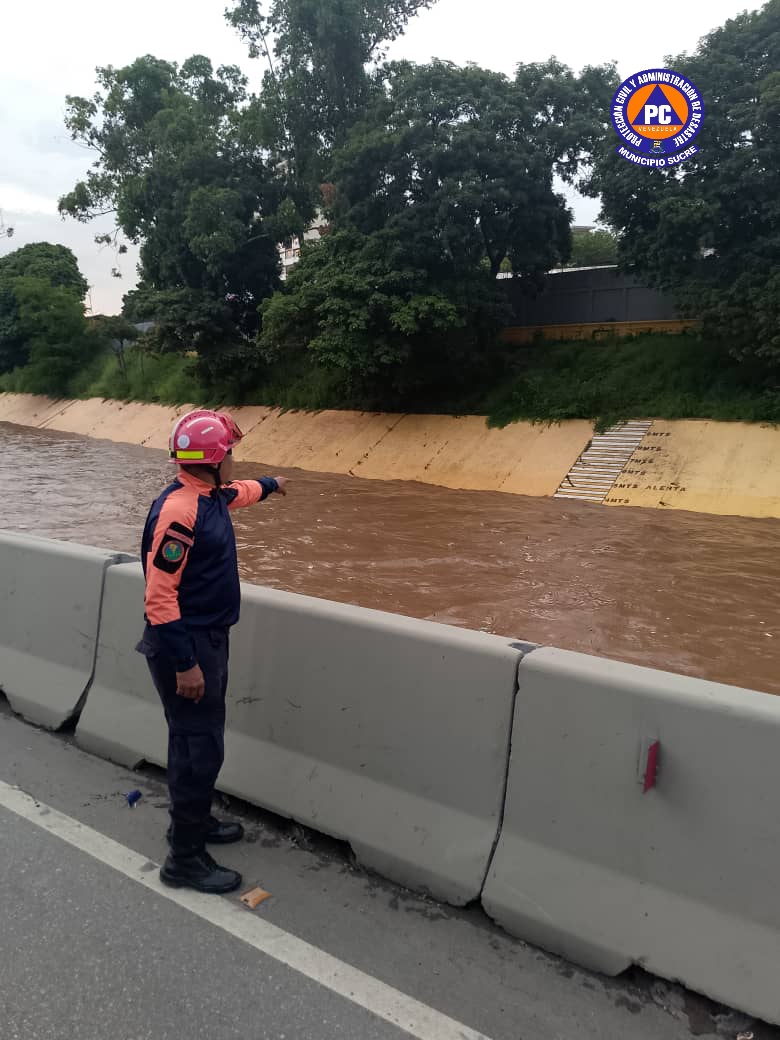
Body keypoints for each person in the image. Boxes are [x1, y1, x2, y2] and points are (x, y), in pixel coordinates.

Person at [136, 409, 288, 894]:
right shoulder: (180, 512)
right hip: (187, 645)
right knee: (198, 750)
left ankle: (194, 823)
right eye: (231, 453)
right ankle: (184, 859)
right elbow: (159, 596)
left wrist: (271, 485)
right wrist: (186, 663)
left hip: (205, 639)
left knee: (194, 741)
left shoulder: (208, 496)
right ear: (215, 459)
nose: (234, 461)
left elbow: (238, 493)